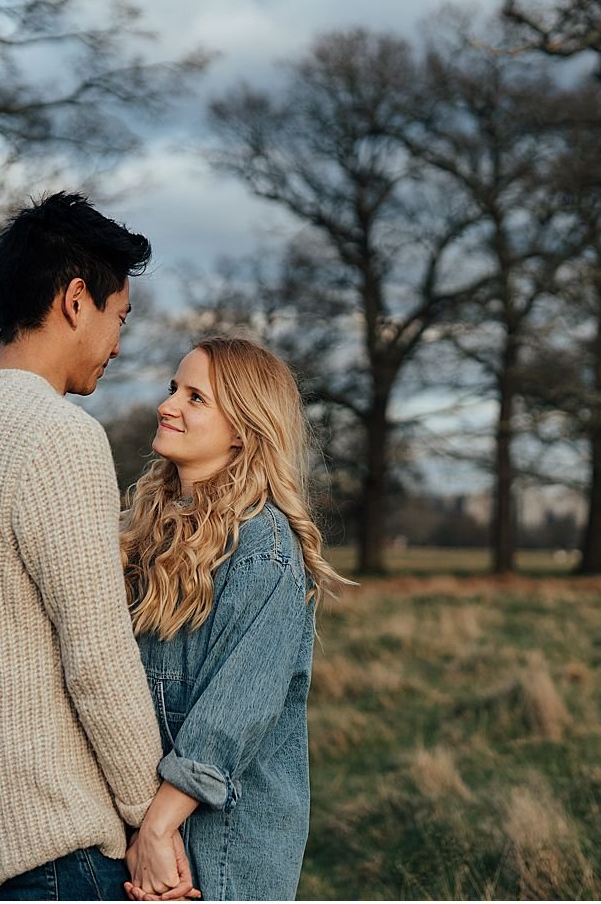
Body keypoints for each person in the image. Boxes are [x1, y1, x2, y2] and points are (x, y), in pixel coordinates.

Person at [0, 192, 198, 901]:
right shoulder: (56, 433)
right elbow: (97, 656)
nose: (118, 343)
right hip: (53, 851)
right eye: (118, 317)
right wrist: (148, 821)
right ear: (75, 300)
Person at [119, 337, 353, 901]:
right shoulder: (147, 527)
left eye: (195, 397)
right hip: (150, 819)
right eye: (174, 388)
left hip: (228, 837)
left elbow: (234, 712)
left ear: (243, 429)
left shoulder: (264, 548)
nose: (167, 405)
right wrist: (146, 824)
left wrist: (158, 826)